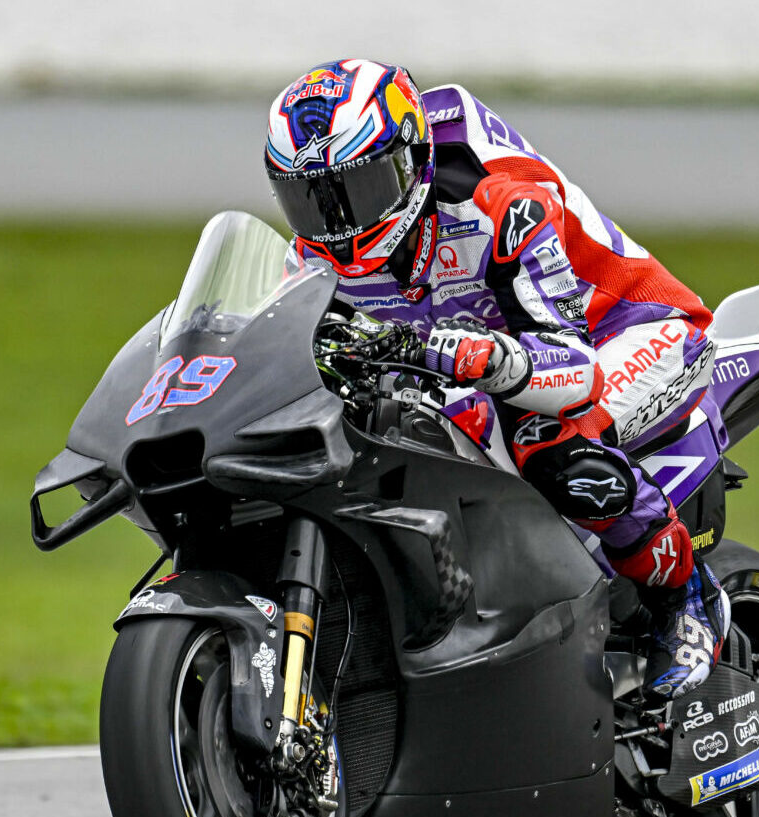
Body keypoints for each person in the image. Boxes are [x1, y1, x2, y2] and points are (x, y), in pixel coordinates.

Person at [264, 59, 728, 698]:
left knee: (545, 438)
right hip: (495, 370)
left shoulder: (501, 200)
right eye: (312, 200)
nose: (337, 224)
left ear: (411, 162)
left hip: (630, 332)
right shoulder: (311, 257)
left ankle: (687, 599)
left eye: (359, 189)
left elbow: (572, 374)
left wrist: (442, 353)